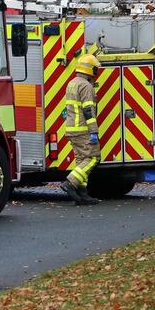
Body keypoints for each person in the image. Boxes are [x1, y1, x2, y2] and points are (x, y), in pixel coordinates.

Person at [60, 54, 102, 206]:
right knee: (92, 158)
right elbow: (88, 111)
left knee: (81, 160)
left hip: (72, 129)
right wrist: (93, 131)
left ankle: (82, 193)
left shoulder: (72, 83)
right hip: (83, 130)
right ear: (91, 69)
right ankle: (70, 183)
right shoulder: (86, 86)